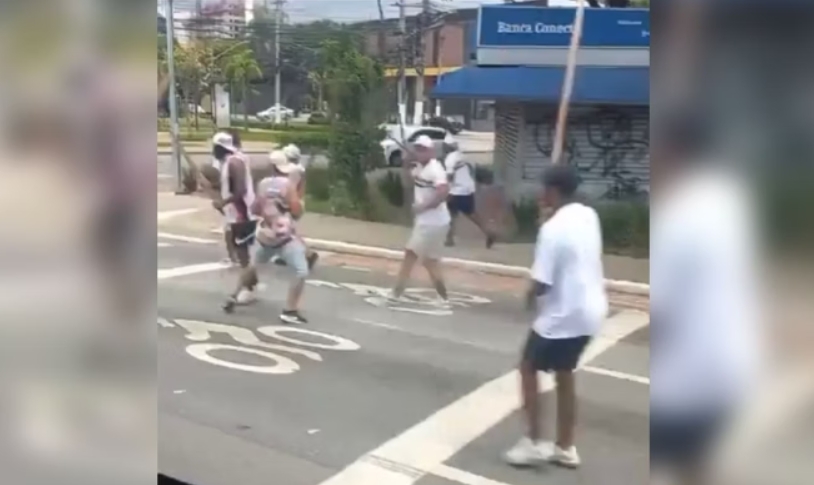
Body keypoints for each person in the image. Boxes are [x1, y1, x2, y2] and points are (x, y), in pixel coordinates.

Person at [649, 113, 761, 485]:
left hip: (690, 373)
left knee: (675, 463)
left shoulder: (678, 216)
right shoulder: (729, 199)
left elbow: (663, 307)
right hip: (733, 362)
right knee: (702, 461)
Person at [504, 164, 608, 469]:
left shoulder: (552, 230)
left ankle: (533, 442)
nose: (540, 193)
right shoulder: (589, 215)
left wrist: (525, 297)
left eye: (543, 187)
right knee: (564, 373)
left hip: (563, 315)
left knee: (527, 367)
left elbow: (542, 282)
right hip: (592, 312)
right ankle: (565, 446)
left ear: (552, 191)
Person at [222, 150, 313, 325]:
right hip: (284, 236)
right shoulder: (288, 185)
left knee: (253, 266)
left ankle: (233, 296)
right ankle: (290, 310)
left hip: (264, 235)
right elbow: (297, 211)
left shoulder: (262, 184)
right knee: (301, 271)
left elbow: (255, 209)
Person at [389, 135, 451, 303]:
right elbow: (410, 182)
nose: (419, 152)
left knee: (410, 254)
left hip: (431, 221)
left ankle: (396, 292)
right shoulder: (420, 168)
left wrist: (423, 207)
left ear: (431, 151)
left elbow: (443, 192)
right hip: (434, 221)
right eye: (417, 148)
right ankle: (443, 294)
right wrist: (405, 164)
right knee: (430, 260)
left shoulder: (435, 169)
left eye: (423, 149)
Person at [210, 131, 257, 302]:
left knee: (243, 256)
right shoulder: (236, 159)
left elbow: (240, 190)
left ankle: (247, 290)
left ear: (220, 147)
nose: (212, 151)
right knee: (244, 253)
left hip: (242, 215)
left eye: (214, 147)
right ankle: (250, 284)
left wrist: (223, 203)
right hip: (240, 214)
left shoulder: (233, 162)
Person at [442, 134, 496, 248]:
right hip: (468, 188)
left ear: (447, 146)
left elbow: (450, 177)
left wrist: (446, 190)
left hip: (457, 190)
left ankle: (488, 232)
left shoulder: (450, 159)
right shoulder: (462, 155)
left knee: (461, 214)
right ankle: (449, 238)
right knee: (456, 214)